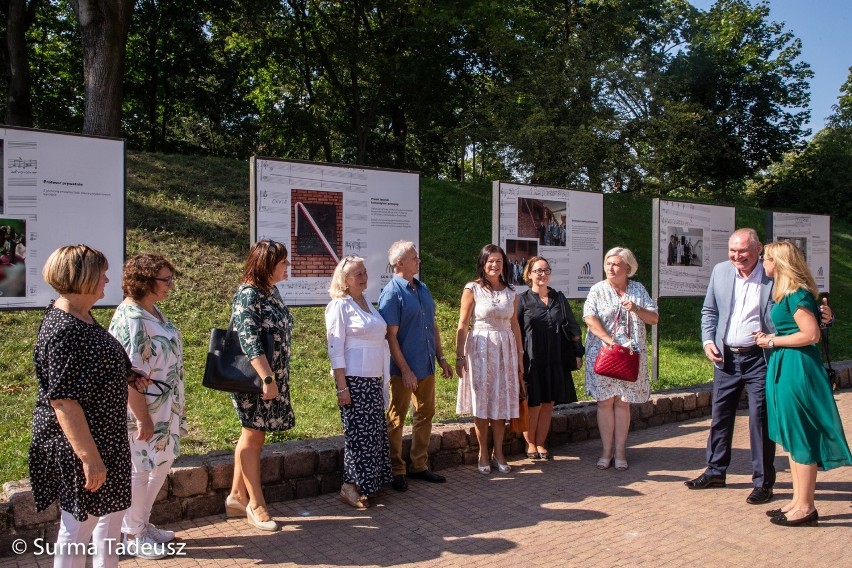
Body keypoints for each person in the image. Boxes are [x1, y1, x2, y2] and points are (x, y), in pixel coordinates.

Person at [685, 228, 834, 505]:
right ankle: (716, 470)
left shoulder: (772, 275)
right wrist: (708, 341)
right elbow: (710, 311)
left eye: (742, 251)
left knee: (760, 421)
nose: (736, 256)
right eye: (732, 250)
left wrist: (825, 318)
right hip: (726, 358)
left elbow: (801, 309)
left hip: (762, 359)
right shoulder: (721, 271)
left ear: (758, 250)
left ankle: (763, 482)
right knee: (719, 416)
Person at [29, 245, 143, 568]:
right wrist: (90, 459)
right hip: (85, 444)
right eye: (102, 273)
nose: (107, 278)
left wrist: (127, 374)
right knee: (79, 529)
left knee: (106, 524)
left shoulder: (81, 315)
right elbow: (64, 401)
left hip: (106, 438)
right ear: (84, 277)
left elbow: (92, 366)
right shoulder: (64, 329)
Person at [752, 242, 851, 526]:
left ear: (779, 262)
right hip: (787, 363)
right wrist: (773, 339)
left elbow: (810, 335)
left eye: (766, 258)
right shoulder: (785, 292)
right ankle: (797, 500)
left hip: (799, 368)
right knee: (793, 434)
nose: (763, 262)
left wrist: (770, 340)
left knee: (802, 434)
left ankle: (806, 507)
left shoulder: (797, 294)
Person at [108, 254, 185, 557]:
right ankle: (133, 533)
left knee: (162, 462)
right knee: (141, 470)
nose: (170, 284)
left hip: (165, 407)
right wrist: (142, 417)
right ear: (145, 282)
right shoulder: (131, 318)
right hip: (143, 410)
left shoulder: (152, 311)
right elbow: (129, 373)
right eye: (165, 279)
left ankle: (141, 522)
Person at [225, 240, 294, 531]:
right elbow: (249, 340)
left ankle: (236, 496)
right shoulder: (248, 295)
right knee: (253, 436)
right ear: (267, 265)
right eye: (282, 263)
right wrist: (267, 378)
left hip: (271, 378)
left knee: (253, 435)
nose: (287, 267)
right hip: (254, 379)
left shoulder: (271, 291)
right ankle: (256, 504)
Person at [378, 241, 453, 492]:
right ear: (400, 263)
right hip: (404, 370)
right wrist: (406, 370)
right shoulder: (391, 293)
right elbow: (391, 336)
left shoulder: (423, 288)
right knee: (397, 419)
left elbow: (432, 326)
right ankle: (396, 469)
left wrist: (441, 357)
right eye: (414, 257)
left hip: (427, 366)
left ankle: (419, 465)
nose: (419, 260)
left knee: (425, 414)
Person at [326, 256, 393, 507]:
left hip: (373, 379)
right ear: (345, 281)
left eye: (364, 272)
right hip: (354, 381)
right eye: (358, 274)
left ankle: (370, 482)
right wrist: (342, 386)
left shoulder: (366, 303)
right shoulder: (340, 306)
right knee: (357, 436)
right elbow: (335, 347)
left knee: (373, 434)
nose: (364, 277)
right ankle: (349, 486)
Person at [583, 247, 658, 471]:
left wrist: (636, 308)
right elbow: (589, 317)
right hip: (604, 353)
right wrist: (609, 340)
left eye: (616, 264)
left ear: (628, 267)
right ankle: (606, 452)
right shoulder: (598, 289)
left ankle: (620, 452)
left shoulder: (637, 289)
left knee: (623, 402)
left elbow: (654, 318)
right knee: (605, 402)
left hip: (630, 356)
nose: (611, 268)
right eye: (608, 263)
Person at [455, 244, 525, 474]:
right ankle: (483, 452)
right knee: (483, 401)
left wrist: (520, 356)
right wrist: (459, 356)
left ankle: (500, 452)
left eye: (499, 261)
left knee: (501, 401)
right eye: (490, 261)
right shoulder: (472, 289)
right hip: (480, 349)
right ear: (483, 264)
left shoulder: (511, 292)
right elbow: (463, 325)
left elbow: (515, 325)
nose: (495, 265)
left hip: (505, 350)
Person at [517, 256, 582, 460]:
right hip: (532, 359)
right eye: (537, 271)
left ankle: (541, 443)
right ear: (529, 274)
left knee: (548, 403)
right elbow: (515, 331)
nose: (542, 274)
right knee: (533, 403)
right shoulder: (522, 300)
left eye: (546, 270)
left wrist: (578, 352)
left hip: (555, 358)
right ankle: (530, 444)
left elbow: (572, 326)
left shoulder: (559, 299)